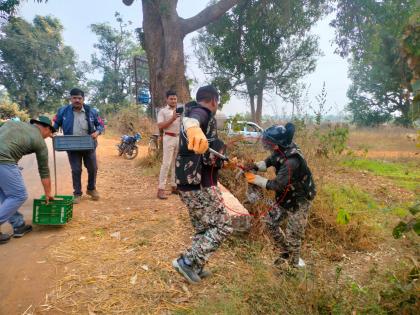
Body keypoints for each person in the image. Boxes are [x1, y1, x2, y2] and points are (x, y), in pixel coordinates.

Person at [172, 85, 233, 283]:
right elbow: (193, 121)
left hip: (188, 181)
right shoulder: (200, 112)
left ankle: (195, 266)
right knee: (223, 224)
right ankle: (187, 262)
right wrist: (193, 128)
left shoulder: (191, 111)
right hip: (199, 183)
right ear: (214, 100)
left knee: (204, 227)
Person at [244, 123, 316, 269]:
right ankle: (285, 253)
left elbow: (276, 185)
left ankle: (294, 267)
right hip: (286, 197)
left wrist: (254, 179)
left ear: (278, 143)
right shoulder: (281, 150)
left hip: (300, 201)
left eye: (269, 142)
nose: (267, 144)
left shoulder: (292, 161)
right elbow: (269, 162)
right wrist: (253, 166)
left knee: (293, 236)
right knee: (270, 221)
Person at [0, 116, 55, 244]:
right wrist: (48, 194)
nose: (49, 136)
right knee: (19, 195)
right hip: (3, 160)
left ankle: (18, 225)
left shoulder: (11, 124)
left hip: (4, 161)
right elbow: (44, 170)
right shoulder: (39, 141)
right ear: (46, 128)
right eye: (50, 132)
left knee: (6, 195)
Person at [53, 88, 104, 204]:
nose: (77, 100)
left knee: (93, 168)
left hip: (89, 145)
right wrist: (52, 132)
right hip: (72, 146)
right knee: (76, 170)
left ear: (83, 99)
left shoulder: (92, 111)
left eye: (79, 98)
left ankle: (91, 189)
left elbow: (100, 125)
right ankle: (77, 193)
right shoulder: (63, 111)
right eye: (74, 98)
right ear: (70, 99)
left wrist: (97, 132)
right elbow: (55, 124)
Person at [156, 90, 181, 199]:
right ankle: (161, 189)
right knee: (166, 164)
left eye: (175, 98)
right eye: (171, 98)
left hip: (179, 138)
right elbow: (160, 126)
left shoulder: (181, 111)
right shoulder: (163, 111)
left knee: (176, 163)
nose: (173, 100)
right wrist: (173, 118)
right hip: (168, 138)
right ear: (167, 99)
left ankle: (174, 186)